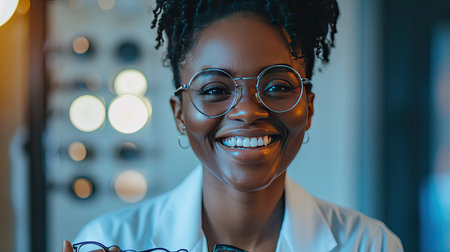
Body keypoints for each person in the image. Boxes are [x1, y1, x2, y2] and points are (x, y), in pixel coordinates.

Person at [63, 0, 404, 251]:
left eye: (278, 87)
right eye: (215, 90)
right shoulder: (109, 241)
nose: (247, 112)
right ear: (179, 114)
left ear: (308, 106)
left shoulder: (368, 244)